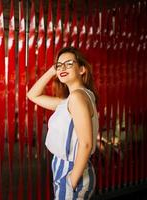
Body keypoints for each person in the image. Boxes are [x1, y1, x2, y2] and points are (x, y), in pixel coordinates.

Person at [27, 47, 98, 199]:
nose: (62, 68)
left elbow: (86, 144)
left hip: (71, 170)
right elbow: (32, 95)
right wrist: (53, 70)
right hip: (67, 168)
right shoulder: (71, 99)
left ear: (82, 69)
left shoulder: (77, 97)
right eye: (60, 65)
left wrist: (71, 181)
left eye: (69, 64)